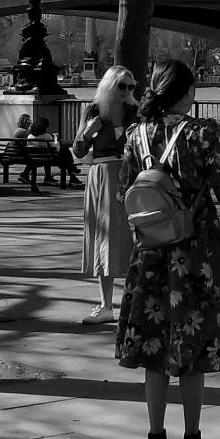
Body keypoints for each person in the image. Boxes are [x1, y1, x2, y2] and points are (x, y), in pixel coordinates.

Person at [116, 59, 220, 439]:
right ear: (186, 92)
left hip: (150, 255)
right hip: (196, 256)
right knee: (193, 348)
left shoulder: (136, 135)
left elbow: (123, 195)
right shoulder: (203, 134)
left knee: (154, 350)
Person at [73, 67, 139, 325]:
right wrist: (89, 131)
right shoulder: (93, 111)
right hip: (102, 175)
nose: (127, 91)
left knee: (136, 235)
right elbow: (79, 150)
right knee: (105, 237)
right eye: (122, 86)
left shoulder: (134, 111)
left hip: (130, 174)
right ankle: (106, 305)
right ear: (110, 85)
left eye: (131, 87)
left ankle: (135, 301)